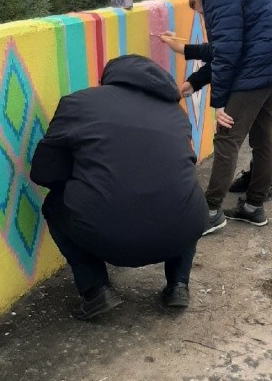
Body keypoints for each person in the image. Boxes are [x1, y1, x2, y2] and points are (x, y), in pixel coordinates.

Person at [30, 54, 208, 319]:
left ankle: (95, 290)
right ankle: (178, 284)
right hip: (178, 233)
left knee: (55, 205)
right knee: (183, 197)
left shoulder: (78, 103)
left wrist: (84, 176)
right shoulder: (177, 113)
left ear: (107, 79)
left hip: (107, 236)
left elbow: (43, 173)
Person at [175, 0, 272, 232]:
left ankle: (211, 211)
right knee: (264, 136)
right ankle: (254, 206)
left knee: (227, 137)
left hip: (259, 66)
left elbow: (226, 52)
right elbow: (224, 49)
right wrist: (196, 81)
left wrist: (219, 105)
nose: (191, 0)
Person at [161, 0, 272, 200]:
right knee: (262, 124)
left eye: (201, 11)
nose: (202, 18)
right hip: (270, 58)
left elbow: (226, 56)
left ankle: (264, 184)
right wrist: (194, 82)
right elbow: (226, 54)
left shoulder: (229, 10)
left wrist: (183, 51)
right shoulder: (229, 2)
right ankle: (257, 183)